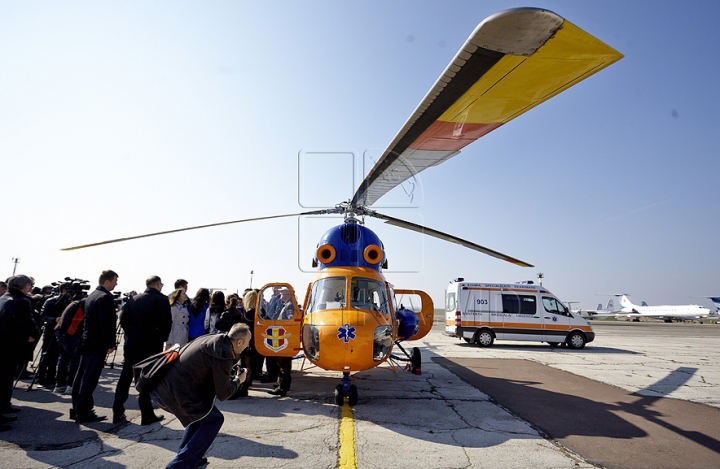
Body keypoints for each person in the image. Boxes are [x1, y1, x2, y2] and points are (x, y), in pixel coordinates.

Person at [154, 323, 250, 468]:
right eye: (247, 343)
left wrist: (228, 373)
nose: (247, 347)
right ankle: (178, 465)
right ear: (239, 342)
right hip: (171, 394)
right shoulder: (223, 353)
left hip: (163, 387)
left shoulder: (215, 339)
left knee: (201, 417)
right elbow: (224, 394)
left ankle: (191, 457)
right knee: (215, 419)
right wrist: (238, 381)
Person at [112, 276, 172, 425]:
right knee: (146, 378)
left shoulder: (133, 299)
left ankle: (117, 410)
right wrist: (160, 339)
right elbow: (166, 324)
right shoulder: (162, 300)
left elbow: (123, 320)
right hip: (151, 346)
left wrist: (132, 333)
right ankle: (147, 414)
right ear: (158, 285)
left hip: (133, 344)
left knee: (125, 377)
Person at [71, 270, 118, 423]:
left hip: (87, 341)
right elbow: (107, 323)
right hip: (96, 344)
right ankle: (83, 412)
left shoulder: (92, 295)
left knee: (81, 377)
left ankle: (77, 408)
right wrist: (110, 344)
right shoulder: (105, 297)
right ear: (107, 281)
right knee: (89, 379)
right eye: (115, 280)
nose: (116, 283)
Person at [0, 275, 39, 431]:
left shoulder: (4, 298)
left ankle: (4, 406)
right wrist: (33, 334)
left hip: (4, 345)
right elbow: (28, 322)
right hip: (9, 346)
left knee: (6, 379)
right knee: (3, 380)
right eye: (29, 285)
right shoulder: (22, 301)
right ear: (26, 285)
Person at [37, 282, 71, 390]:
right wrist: (54, 319)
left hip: (65, 332)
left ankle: (55, 378)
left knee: (61, 356)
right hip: (50, 331)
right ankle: (42, 378)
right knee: (47, 355)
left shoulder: (70, 302)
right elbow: (42, 316)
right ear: (64, 290)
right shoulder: (51, 301)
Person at [53, 297, 86, 395]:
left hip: (61, 331)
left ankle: (59, 385)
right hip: (69, 333)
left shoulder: (77, 303)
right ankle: (71, 385)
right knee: (75, 359)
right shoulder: (82, 305)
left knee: (64, 359)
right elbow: (78, 323)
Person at [268, 288, 295, 397]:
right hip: (282, 338)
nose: (281, 294)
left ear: (288, 294)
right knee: (281, 363)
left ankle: (283, 387)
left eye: (283, 292)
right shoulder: (286, 305)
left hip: (285, 339)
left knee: (284, 364)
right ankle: (280, 384)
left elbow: (289, 321)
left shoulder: (289, 306)